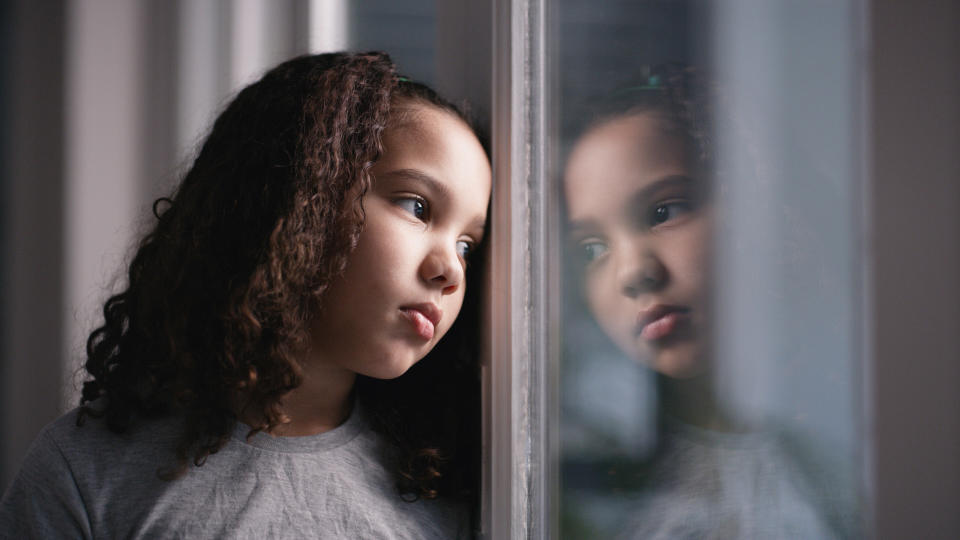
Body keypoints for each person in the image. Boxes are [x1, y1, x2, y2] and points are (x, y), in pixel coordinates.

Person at [0, 51, 491, 538]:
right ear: (298, 198)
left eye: (468, 245)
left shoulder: (442, 491)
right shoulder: (84, 472)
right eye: (417, 206)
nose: (450, 269)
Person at [562, 65, 853, 538]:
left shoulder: (848, 464)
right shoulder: (582, 489)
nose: (634, 273)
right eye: (593, 249)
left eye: (666, 211)